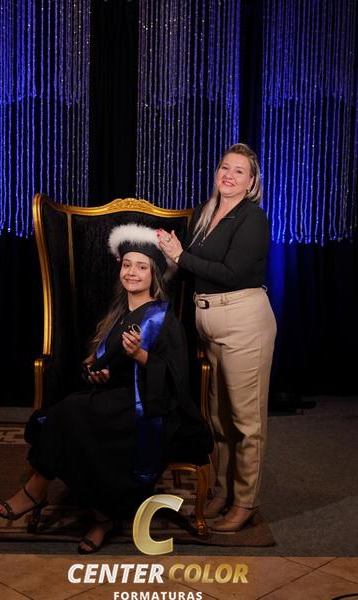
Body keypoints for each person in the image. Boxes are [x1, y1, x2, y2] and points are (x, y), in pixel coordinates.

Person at [0, 223, 212, 552]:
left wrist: (140, 355)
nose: (132, 272)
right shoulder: (119, 315)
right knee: (68, 416)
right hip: (117, 397)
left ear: (154, 274)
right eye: (127, 265)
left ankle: (39, 492)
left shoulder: (163, 318)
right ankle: (101, 515)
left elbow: (176, 379)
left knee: (71, 413)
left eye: (141, 267)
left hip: (151, 407)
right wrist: (101, 374)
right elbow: (108, 368)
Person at [157, 143, 277, 532]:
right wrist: (161, 257)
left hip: (243, 320)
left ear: (251, 182)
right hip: (209, 321)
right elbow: (190, 268)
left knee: (246, 421)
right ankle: (223, 493)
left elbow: (230, 273)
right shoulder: (206, 213)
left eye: (239, 171)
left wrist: (180, 256)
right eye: (225, 167)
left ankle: (246, 503)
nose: (229, 175)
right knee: (219, 418)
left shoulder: (252, 218)